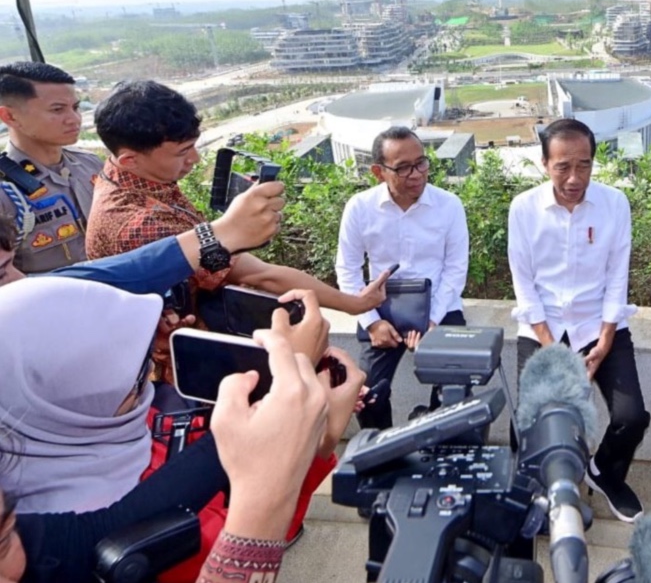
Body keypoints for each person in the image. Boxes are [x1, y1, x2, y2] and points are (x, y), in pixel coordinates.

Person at [0, 277, 364, 580]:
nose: (157, 371)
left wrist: (311, 439)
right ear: (64, 404)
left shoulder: (120, 435)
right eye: (141, 370)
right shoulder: (96, 541)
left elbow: (253, 510)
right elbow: (238, 533)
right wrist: (286, 387)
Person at [83, 80, 386, 376]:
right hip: (182, 367)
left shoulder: (130, 178)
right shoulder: (143, 223)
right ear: (130, 159)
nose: (195, 159)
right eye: (182, 152)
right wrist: (354, 303)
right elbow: (260, 274)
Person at [507, 118, 650, 523]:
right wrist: (552, 349)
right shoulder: (523, 208)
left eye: (583, 165)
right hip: (543, 329)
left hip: (599, 325)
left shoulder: (614, 204)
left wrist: (605, 341)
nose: (574, 177)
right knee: (531, 419)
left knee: (631, 417)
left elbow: (616, 277)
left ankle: (605, 471)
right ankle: (534, 489)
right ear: (544, 163)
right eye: (562, 166)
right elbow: (525, 284)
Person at [336, 126, 469, 430]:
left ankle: (434, 443)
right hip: (382, 308)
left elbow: (456, 269)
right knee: (367, 394)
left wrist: (432, 321)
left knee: (456, 388)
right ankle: (383, 455)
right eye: (403, 167)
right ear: (378, 172)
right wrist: (372, 321)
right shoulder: (359, 208)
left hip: (438, 306)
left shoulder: (449, 205)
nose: (416, 174)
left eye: (421, 163)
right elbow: (347, 269)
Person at [0, 180, 284, 293]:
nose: (21, 279)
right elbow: (123, 273)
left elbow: (95, 277)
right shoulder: (137, 220)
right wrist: (220, 234)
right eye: (2, 274)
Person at [0, 62, 100, 275]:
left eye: (75, 107)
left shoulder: (91, 164)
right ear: (10, 116)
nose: (74, 119)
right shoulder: (5, 192)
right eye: (57, 109)